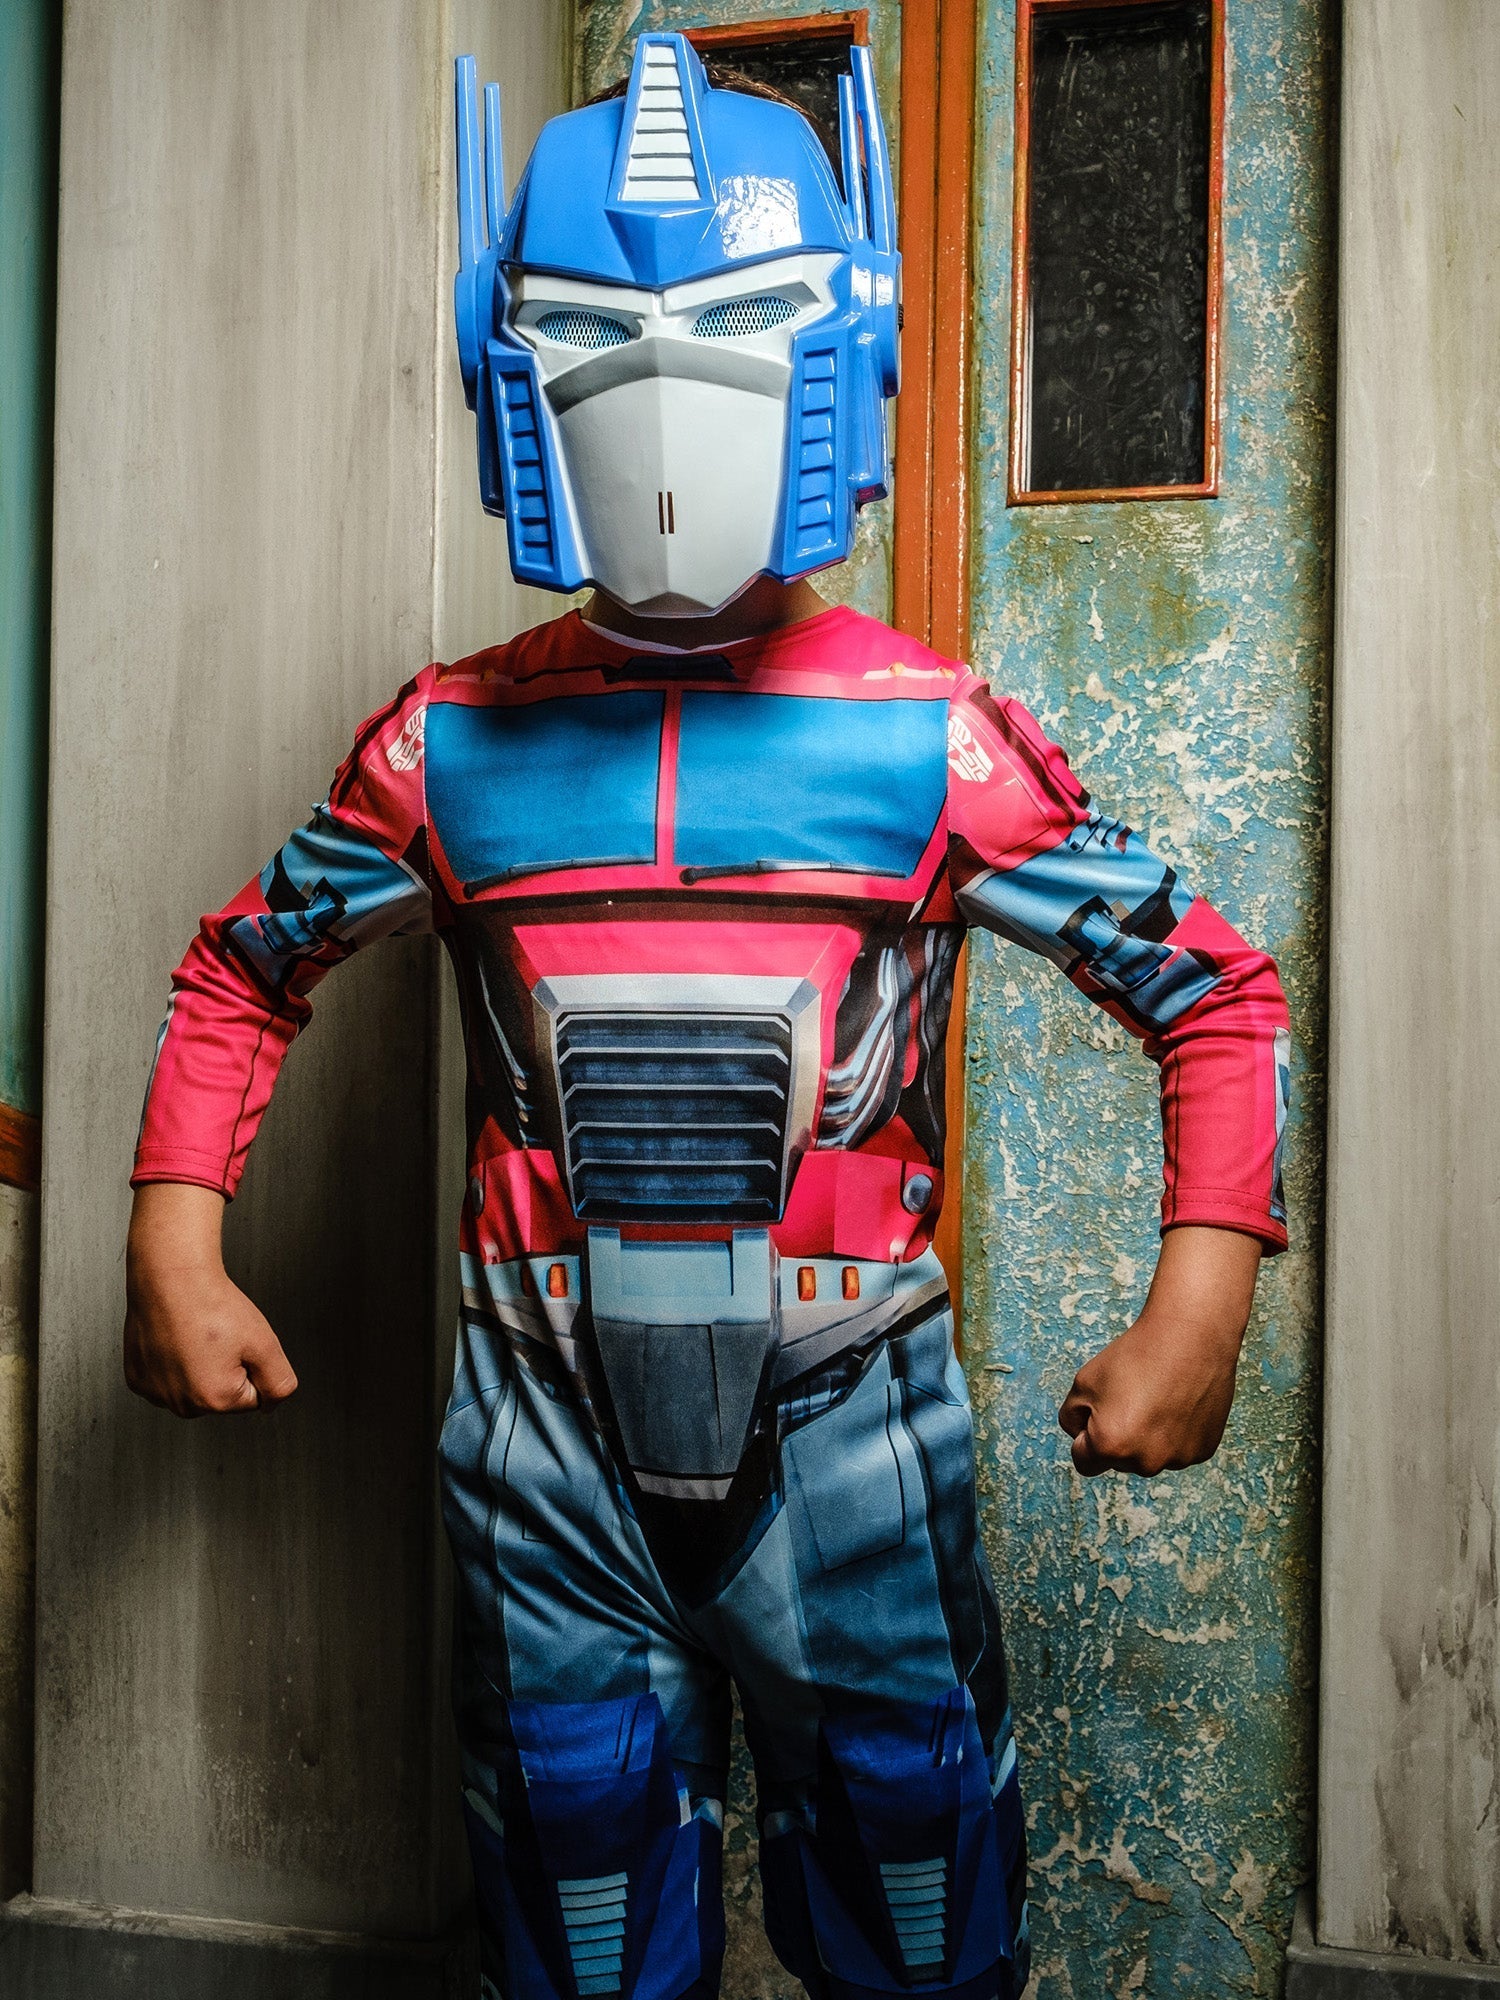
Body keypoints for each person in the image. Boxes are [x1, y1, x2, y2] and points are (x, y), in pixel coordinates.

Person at [122, 35, 1289, 2000]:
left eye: (735, 324)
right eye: (595, 331)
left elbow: (1211, 988)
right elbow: (247, 965)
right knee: (576, 1906)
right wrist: (174, 1233)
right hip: (543, 1432)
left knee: (918, 1902)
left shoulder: (926, 740)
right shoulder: (448, 744)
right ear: (514, 367)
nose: (665, 390)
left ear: (836, 347)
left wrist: (1204, 1298)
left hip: (850, 1429)